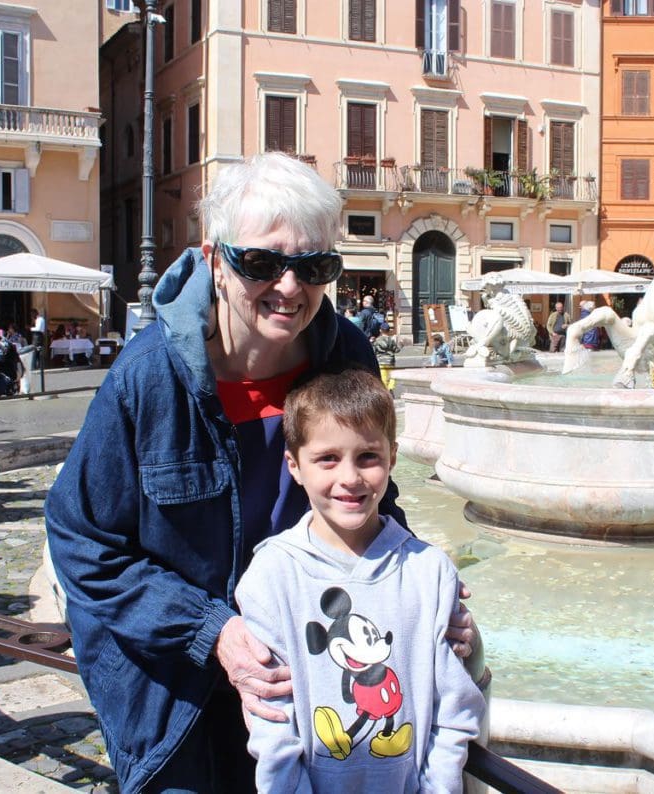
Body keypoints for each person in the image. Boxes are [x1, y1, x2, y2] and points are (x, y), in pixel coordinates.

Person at [45, 152, 481, 794]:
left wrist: (424, 593)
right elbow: (83, 543)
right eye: (261, 262)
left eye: (314, 266)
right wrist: (213, 631)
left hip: (313, 685)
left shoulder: (345, 354)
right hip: (180, 696)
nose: (289, 285)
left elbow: (370, 500)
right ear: (215, 260)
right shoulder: (148, 379)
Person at [237, 369, 486, 792]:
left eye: (367, 457)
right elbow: (273, 725)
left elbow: (454, 709)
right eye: (327, 459)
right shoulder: (270, 576)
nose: (350, 478)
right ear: (294, 466)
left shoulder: (431, 572)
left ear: (392, 456)